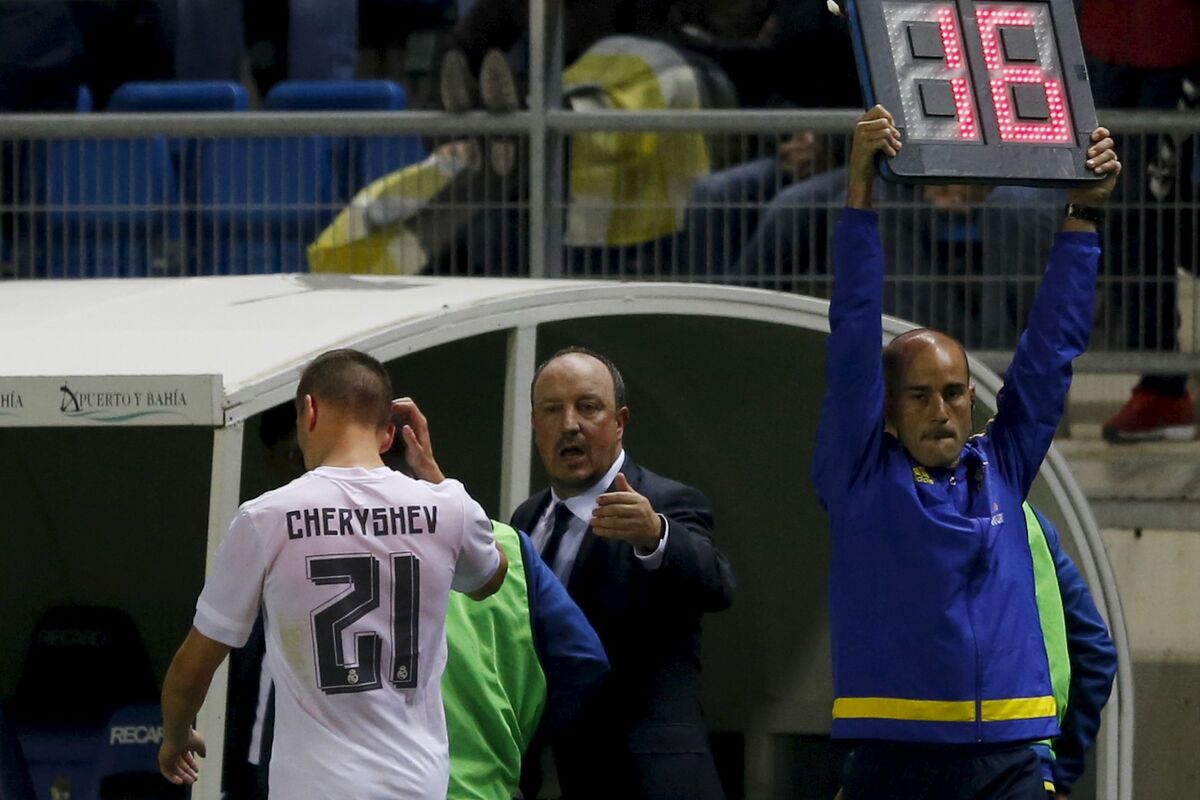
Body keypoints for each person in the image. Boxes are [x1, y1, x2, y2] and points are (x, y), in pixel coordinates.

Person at [813, 105, 1120, 798]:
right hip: (891, 760)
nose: (941, 410)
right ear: (888, 409)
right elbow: (853, 333)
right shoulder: (859, 476)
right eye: (919, 396)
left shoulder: (1002, 467)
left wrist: (1084, 214)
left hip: (1010, 759)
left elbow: (1050, 353)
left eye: (954, 393)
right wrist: (860, 192)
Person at [157, 349, 507, 797]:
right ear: (388, 435)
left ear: (309, 411)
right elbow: (490, 577)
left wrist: (176, 735)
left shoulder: (265, 518)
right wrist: (435, 476)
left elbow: (192, 667)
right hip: (416, 784)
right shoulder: (450, 506)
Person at [511, 347, 736, 799]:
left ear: (620, 422)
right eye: (552, 410)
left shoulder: (666, 502)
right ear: (535, 425)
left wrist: (656, 535)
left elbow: (717, 584)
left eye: (588, 407)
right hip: (553, 774)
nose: (569, 424)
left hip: (650, 779)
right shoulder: (527, 518)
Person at [1019, 504, 1118, 798]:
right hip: (1030, 763)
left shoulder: (904, 514)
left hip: (915, 758)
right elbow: (1095, 652)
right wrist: (1062, 772)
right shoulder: (1029, 520)